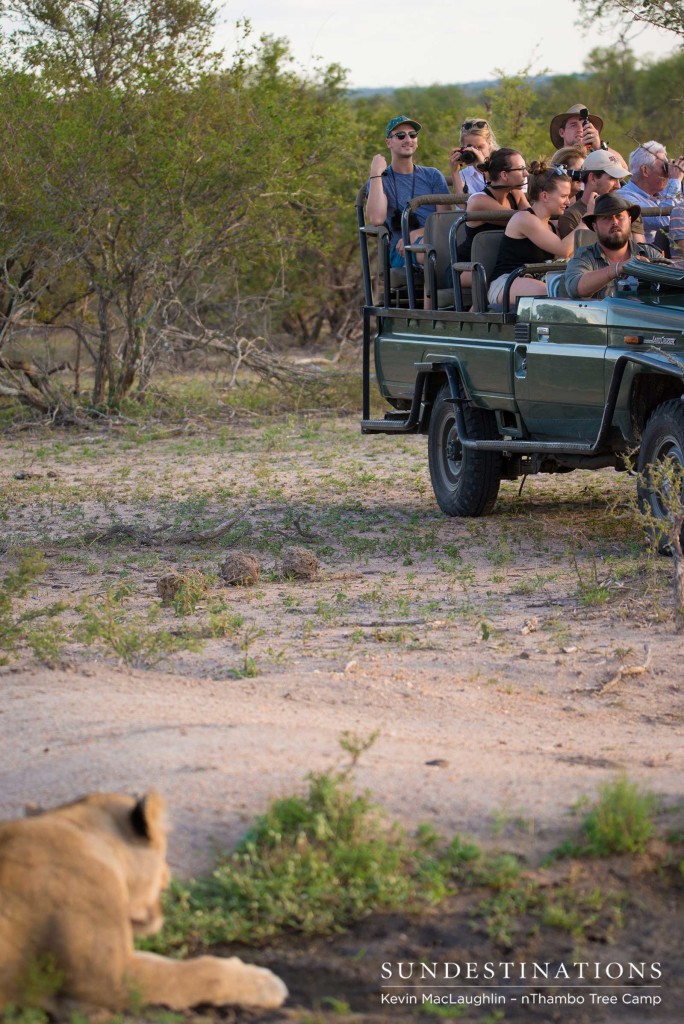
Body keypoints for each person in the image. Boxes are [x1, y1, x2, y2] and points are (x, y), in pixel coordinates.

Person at [366, 115, 450, 269]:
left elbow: (444, 222)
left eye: (412, 135)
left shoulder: (433, 175)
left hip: (437, 243)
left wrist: (415, 234)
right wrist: (375, 173)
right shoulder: (380, 180)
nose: (408, 139)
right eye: (400, 136)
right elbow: (376, 219)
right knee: (428, 253)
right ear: (388, 142)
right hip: (402, 250)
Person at [487, 162, 574, 304]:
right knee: (549, 291)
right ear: (545, 196)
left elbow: (563, 257)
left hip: (538, 279)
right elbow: (563, 249)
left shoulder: (551, 225)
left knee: (572, 287)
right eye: (564, 196)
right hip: (508, 281)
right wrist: (586, 221)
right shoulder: (524, 218)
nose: (568, 202)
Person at [564, 193, 662, 300]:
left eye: (619, 216)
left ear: (629, 220)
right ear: (595, 226)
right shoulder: (585, 256)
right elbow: (575, 287)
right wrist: (618, 268)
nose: (615, 222)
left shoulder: (649, 253)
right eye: (607, 218)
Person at [456, 148, 529, 286]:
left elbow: (534, 219)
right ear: (504, 175)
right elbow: (526, 221)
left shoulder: (516, 194)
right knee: (497, 277)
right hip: (468, 268)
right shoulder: (478, 201)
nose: (526, 173)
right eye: (521, 169)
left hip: (499, 264)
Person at [619, 140, 684, 246]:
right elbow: (667, 222)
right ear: (645, 170)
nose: (668, 173)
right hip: (648, 258)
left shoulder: (661, 194)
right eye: (664, 167)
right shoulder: (625, 197)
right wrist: (675, 179)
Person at [557, 149, 629, 238]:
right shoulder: (571, 217)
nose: (618, 186)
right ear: (593, 178)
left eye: (620, 180)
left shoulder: (626, 209)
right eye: (612, 178)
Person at [549, 103, 627, 169]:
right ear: (562, 132)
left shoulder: (596, 162)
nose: (580, 129)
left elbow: (623, 169)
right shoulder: (554, 165)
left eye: (584, 125)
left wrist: (599, 146)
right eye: (573, 125)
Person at [449, 117, 499, 195]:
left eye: (479, 147)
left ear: (489, 143)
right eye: (471, 147)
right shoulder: (463, 174)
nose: (476, 152)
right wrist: (455, 173)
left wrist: (484, 167)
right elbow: (460, 206)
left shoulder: (504, 165)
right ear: (462, 147)